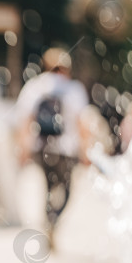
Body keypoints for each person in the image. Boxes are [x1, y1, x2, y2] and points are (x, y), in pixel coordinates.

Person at [14, 48, 89, 243]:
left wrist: (23, 150)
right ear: (66, 68)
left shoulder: (34, 87)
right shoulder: (74, 89)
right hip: (66, 150)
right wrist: (85, 151)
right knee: (67, 190)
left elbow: (24, 122)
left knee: (47, 187)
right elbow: (82, 124)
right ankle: (54, 219)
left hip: (42, 148)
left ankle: (48, 219)